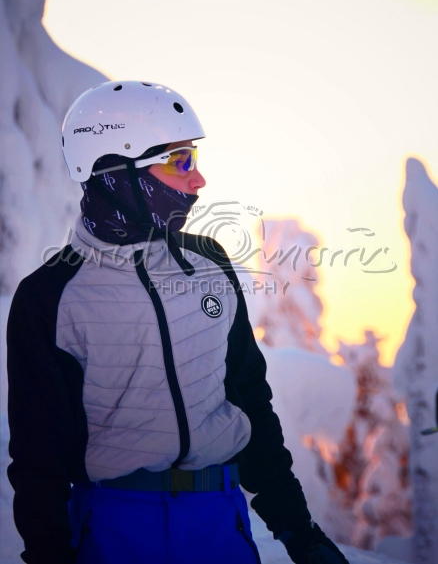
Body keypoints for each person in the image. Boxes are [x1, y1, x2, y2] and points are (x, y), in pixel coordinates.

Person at [7, 81, 349, 564]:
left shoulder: (210, 263)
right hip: (113, 528)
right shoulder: (50, 296)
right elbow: (37, 455)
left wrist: (299, 531)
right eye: (180, 161)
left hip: (219, 522)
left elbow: (250, 400)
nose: (198, 180)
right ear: (116, 169)